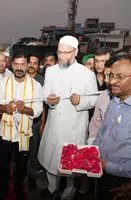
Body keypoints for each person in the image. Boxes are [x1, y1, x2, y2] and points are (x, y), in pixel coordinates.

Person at [38, 35, 98, 200]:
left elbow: (94, 99)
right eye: (60, 52)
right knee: (51, 161)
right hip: (54, 125)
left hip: (75, 126)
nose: (62, 56)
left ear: (76, 52)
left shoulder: (87, 74)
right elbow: (44, 94)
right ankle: (52, 187)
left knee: (70, 165)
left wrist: (81, 101)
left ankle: (69, 191)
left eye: (67, 53)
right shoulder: (50, 71)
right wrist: (49, 99)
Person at [93, 54, 131, 200]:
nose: (112, 81)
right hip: (102, 173)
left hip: (127, 183)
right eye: (111, 75)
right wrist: (93, 152)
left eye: (120, 77)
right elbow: (104, 131)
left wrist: (110, 167)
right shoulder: (115, 100)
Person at [0, 49, 43, 200]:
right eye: (16, 64)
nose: (19, 68)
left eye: (23, 64)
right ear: (12, 64)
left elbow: (38, 110)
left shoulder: (36, 86)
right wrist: (5, 108)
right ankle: (3, 190)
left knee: (22, 166)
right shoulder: (4, 83)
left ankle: (18, 189)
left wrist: (25, 109)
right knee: (3, 164)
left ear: (28, 64)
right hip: (6, 133)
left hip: (24, 133)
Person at [26, 53, 46, 191]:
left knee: (33, 152)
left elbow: (43, 106)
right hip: (21, 121)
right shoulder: (21, 78)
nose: (32, 65)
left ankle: (32, 178)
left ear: (38, 66)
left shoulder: (42, 80)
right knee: (21, 151)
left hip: (36, 122)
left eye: (35, 63)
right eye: (30, 62)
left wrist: (43, 124)